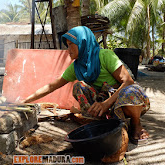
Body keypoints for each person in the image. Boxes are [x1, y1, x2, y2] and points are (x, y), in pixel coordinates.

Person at [22, 26, 150, 144]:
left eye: (72, 44)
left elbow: (128, 81)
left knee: (130, 90)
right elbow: (51, 87)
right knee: (79, 87)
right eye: (67, 45)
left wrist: (106, 104)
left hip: (123, 100)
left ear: (83, 42)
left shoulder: (105, 55)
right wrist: (25, 100)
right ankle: (103, 121)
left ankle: (136, 123)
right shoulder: (76, 67)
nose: (68, 50)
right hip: (102, 104)